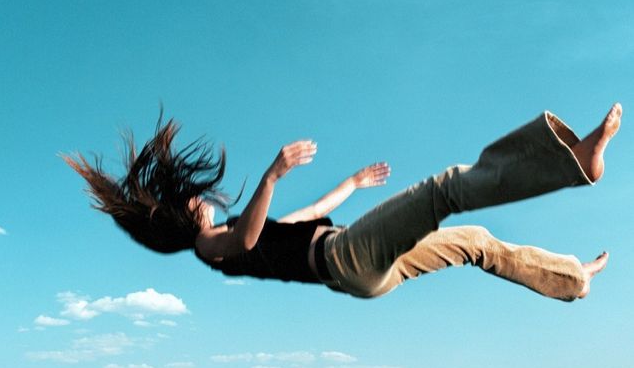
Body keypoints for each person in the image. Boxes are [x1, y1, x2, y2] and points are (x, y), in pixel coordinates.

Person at [63, 103, 622, 302]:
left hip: (360, 268)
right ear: (179, 221)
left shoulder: (234, 233)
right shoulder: (208, 245)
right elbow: (247, 237)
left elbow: (304, 217)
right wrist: (272, 174)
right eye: (190, 202)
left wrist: (352, 183)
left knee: (476, 242)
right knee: (444, 189)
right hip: (345, 259)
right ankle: (571, 164)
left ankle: (573, 279)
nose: (198, 201)